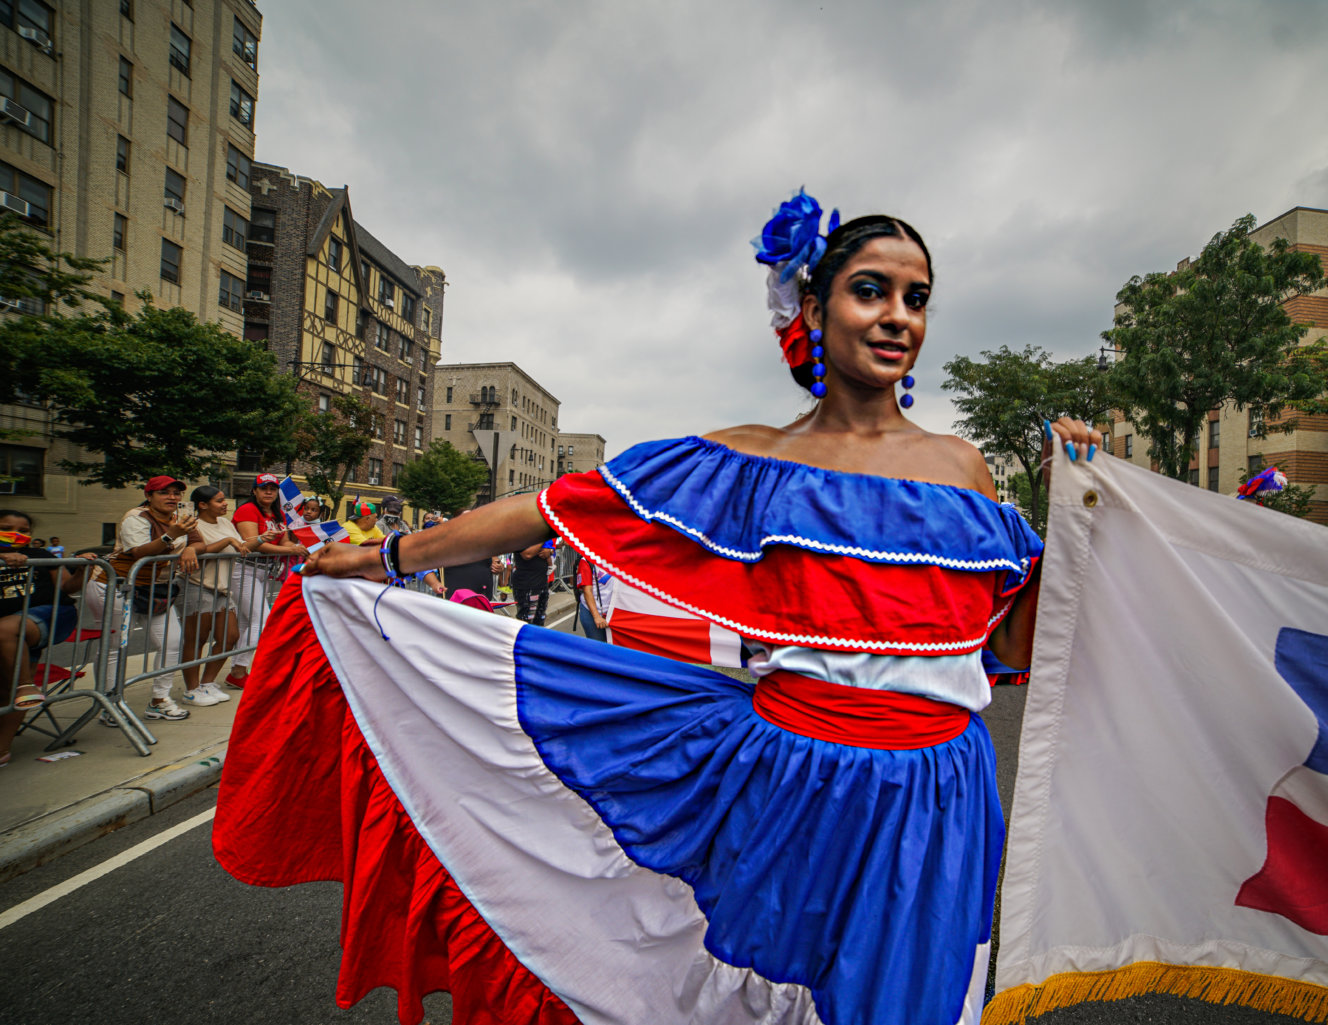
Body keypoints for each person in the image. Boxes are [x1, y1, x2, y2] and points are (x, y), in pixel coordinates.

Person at [217, 193, 1100, 1025]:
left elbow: (1008, 641)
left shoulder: (963, 466)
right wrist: (385, 555)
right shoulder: (746, 459)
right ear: (814, 305)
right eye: (871, 290)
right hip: (793, 780)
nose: (899, 315)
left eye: (917, 298)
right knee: (767, 987)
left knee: (912, 997)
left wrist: (1072, 516)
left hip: (938, 794)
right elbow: (552, 506)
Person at [85, 476, 204, 722]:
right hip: (116, 585)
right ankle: (109, 703)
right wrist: (171, 536)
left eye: (176, 493)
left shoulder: (180, 519)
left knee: (172, 642)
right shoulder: (137, 517)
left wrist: (191, 548)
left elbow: (199, 540)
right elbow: (139, 552)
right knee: (115, 647)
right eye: (164, 492)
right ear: (148, 496)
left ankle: (159, 700)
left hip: (156, 590)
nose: (172, 497)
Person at [0, 510, 94, 765]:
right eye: (7, 528)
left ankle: (26, 685)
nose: (17, 534)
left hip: (47, 615)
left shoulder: (41, 555)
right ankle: (3, 750)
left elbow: (65, 587)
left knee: (7, 630)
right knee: (7, 684)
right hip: (11, 636)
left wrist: (83, 571)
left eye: (24, 530)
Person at [223, 474, 307, 690]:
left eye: (272, 488)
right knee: (261, 621)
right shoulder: (247, 510)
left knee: (247, 622)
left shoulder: (277, 513)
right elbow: (254, 543)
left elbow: (285, 538)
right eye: (263, 488)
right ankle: (240, 670)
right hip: (245, 570)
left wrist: (293, 545)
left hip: (263, 572)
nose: (268, 492)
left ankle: (237, 672)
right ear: (254, 491)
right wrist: (291, 549)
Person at [178, 486, 256, 707]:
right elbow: (198, 550)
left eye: (224, 500)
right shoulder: (192, 525)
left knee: (230, 637)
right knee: (196, 640)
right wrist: (227, 542)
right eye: (219, 501)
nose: (225, 504)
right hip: (197, 585)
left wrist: (261, 540)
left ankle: (207, 683)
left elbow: (241, 546)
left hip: (222, 587)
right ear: (203, 505)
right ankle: (191, 689)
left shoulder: (225, 523)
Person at [509, 540, 552, 626]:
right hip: (526, 585)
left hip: (542, 583)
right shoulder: (521, 534)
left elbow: (552, 547)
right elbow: (527, 554)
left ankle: (537, 639)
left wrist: (550, 550)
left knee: (540, 621)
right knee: (526, 623)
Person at [574, 551, 612, 641]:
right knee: (599, 649)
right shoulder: (586, 561)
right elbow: (587, 591)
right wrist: (596, 616)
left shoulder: (615, 558)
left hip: (612, 613)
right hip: (592, 613)